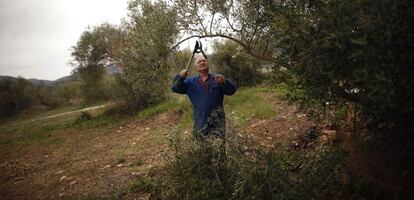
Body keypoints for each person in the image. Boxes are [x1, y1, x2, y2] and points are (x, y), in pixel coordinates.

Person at [172, 55, 237, 139]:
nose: (202, 62)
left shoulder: (217, 79)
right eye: (199, 62)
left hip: (218, 123)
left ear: (208, 64)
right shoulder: (190, 83)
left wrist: (224, 81)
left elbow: (232, 91)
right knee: (201, 149)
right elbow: (175, 88)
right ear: (196, 67)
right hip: (200, 123)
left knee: (219, 148)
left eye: (204, 61)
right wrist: (180, 77)